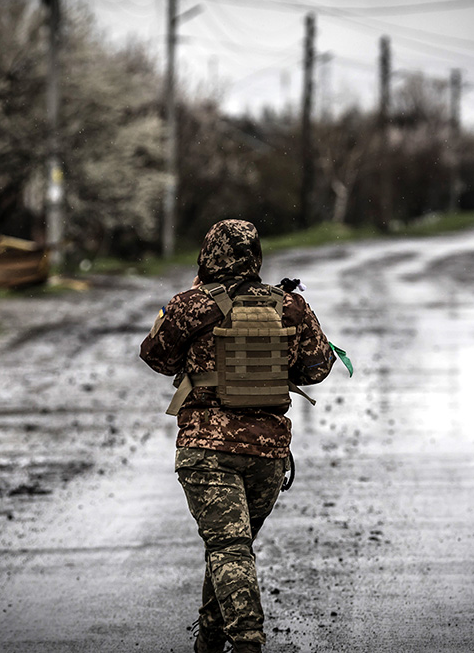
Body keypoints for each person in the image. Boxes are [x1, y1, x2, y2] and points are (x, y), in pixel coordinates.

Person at [140, 219, 335, 653]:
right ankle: (210, 639)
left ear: (207, 256)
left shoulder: (191, 305)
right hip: (268, 455)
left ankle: (247, 640)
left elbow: (155, 356)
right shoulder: (289, 305)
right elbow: (318, 368)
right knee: (232, 546)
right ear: (255, 256)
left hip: (206, 449)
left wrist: (194, 311)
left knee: (228, 547)